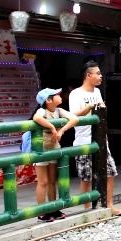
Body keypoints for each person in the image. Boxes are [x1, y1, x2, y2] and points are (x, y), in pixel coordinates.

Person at [69, 61, 121, 217]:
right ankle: (87, 210)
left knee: (110, 172)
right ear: (89, 75)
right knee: (86, 178)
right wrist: (89, 108)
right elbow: (72, 115)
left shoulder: (97, 92)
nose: (101, 76)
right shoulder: (76, 94)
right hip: (83, 140)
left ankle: (109, 205)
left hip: (101, 140)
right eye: (98, 73)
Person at [31, 87, 79, 222]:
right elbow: (36, 117)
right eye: (56, 95)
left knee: (52, 180)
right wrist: (52, 127)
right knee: (43, 181)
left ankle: (53, 207)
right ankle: (41, 211)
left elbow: (74, 118)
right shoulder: (42, 110)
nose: (60, 96)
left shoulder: (59, 111)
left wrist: (62, 130)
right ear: (48, 100)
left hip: (53, 147)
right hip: (41, 148)